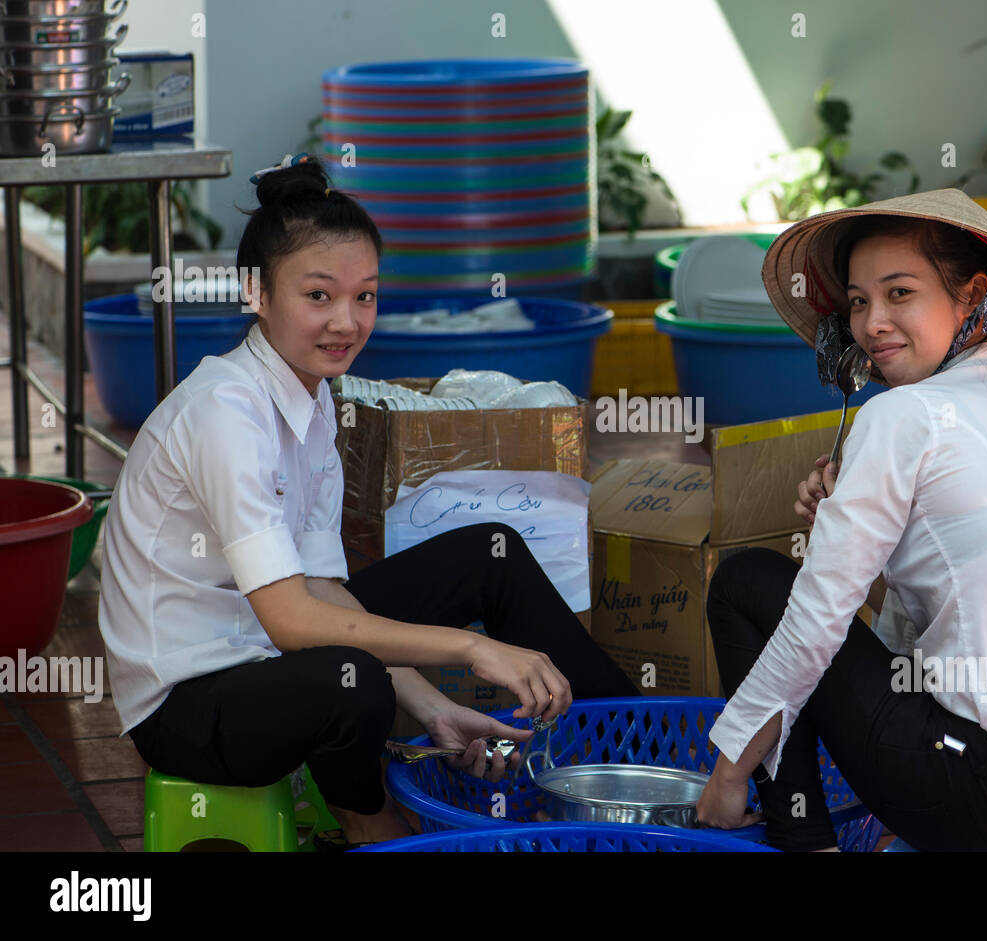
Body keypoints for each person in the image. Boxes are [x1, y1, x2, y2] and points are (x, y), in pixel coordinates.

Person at [98, 152, 637, 850]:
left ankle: (627, 755)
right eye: (317, 295)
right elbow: (294, 621)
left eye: (366, 296)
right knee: (352, 682)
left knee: (488, 551)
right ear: (255, 292)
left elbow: (323, 585)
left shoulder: (314, 401)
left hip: (268, 656)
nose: (346, 322)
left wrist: (436, 705)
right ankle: (366, 818)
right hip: (188, 704)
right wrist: (473, 648)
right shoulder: (226, 410)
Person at [695, 188, 987, 851]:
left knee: (747, 580)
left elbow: (816, 620)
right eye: (860, 301)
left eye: (900, 293)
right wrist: (860, 530)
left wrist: (729, 775)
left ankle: (801, 836)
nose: (872, 323)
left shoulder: (899, 416)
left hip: (973, 790)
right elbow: (943, 609)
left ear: (972, 295)